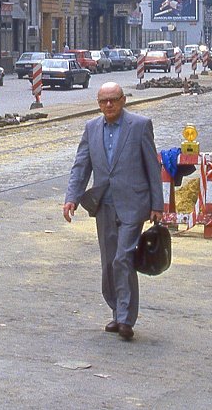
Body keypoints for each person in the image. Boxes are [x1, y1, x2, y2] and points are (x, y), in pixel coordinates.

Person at [62, 82, 163, 341]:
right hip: (104, 203)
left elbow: (153, 167)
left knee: (123, 257)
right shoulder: (91, 128)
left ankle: (127, 319)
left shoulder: (140, 126)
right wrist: (71, 198)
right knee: (109, 261)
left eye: (114, 100)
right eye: (104, 101)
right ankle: (117, 311)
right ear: (98, 103)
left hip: (133, 203)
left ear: (123, 100)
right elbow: (81, 166)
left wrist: (157, 205)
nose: (109, 105)